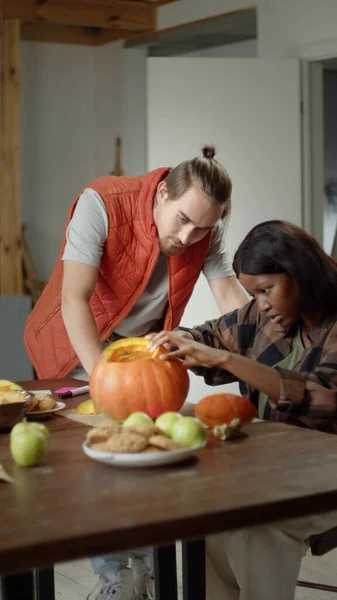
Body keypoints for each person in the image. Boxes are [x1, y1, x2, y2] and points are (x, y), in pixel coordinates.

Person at [24, 145, 247, 600]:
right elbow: (74, 300)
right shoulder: (101, 203)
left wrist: (260, 350)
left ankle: (142, 566)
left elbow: (230, 297)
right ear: (163, 193)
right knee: (95, 460)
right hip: (74, 341)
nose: (189, 236)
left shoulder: (205, 230)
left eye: (203, 227)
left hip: (139, 347)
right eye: (183, 219)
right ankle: (112, 575)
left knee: (145, 452)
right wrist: (105, 380)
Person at [148, 220, 337, 600]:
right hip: (277, 468)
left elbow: (324, 396)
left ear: (299, 272)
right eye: (255, 293)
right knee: (209, 516)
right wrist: (179, 339)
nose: (262, 304)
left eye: (267, 290)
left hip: (327, 473)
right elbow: (208, 335)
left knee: (257, 525)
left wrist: (227, 359)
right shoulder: (264, 315)